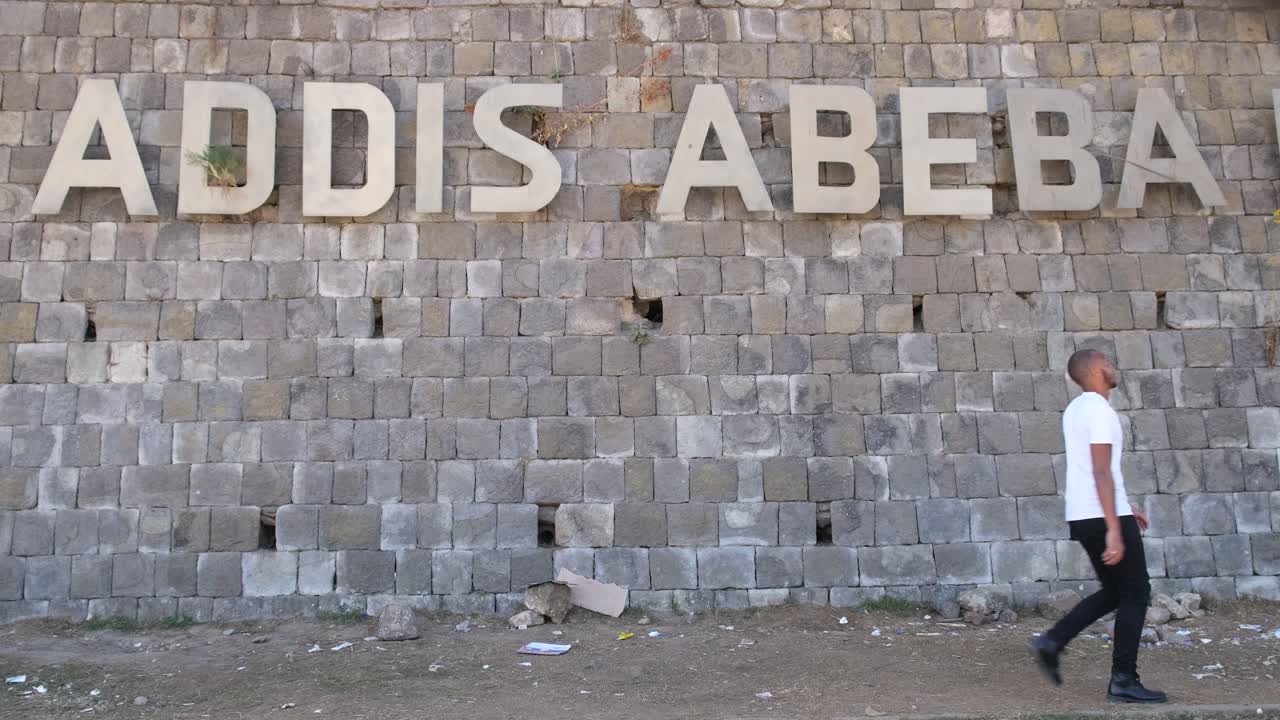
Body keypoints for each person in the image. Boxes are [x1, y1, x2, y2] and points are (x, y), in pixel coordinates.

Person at [1029, 349, 1166, 704]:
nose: (1113, 365)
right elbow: (1101, 470)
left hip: (1083, 513)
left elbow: (1096, 469)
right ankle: (1123, 679)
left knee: (1113, 591)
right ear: (1098, 369)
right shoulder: (1101, 412)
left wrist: (1126, 507)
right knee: (1136, 592)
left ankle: (1053, 640)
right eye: (1108, 361)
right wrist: (1115, 528)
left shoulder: (1076, 410)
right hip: (1103, 516)